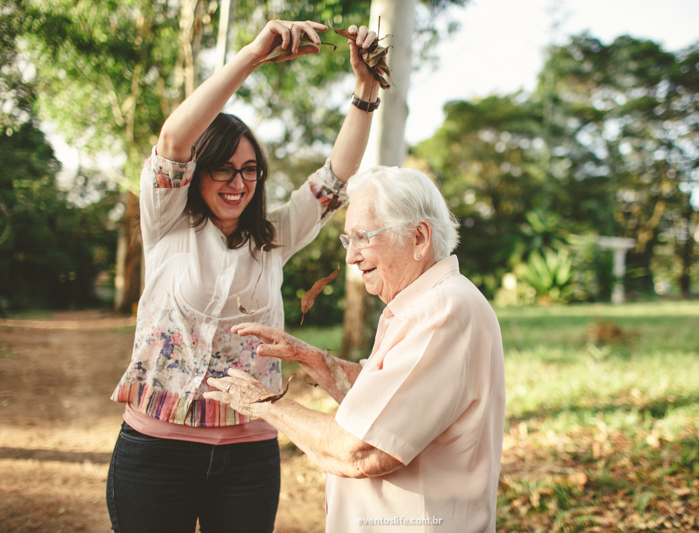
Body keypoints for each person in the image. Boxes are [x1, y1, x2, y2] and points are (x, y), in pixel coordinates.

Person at [106, 19, 381, 533]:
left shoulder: (274, 236)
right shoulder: (168, 221)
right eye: (224, 169)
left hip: (249, 460)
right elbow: (172, 136)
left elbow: (335, 178)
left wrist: (365, 91)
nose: (239, 183)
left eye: (250, 169)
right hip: (156, 454)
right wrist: (253, 55)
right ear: (198, 171)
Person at [206, 166, 506, 532]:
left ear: (419, 238)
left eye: (363, 237)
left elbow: (360, 449)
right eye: (349, 241)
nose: (351, 257)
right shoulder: (421, 303)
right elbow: (385, 398)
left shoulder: (442, 311)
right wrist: (309, 357)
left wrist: (265, 403)